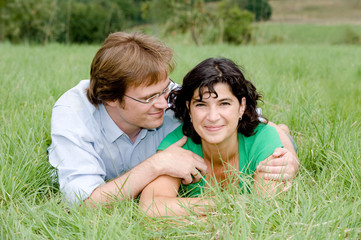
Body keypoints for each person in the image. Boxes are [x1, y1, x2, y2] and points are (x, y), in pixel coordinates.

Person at [48, 32, 299, 207]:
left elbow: (252, 122)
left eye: (164, 90)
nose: (162, 103)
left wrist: (288, 155)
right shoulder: (74, 113)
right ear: (111, 98)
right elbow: (83, 205)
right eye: (148, 98)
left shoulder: (169, 97)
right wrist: (157, 165)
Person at [139, 58, 298, 217]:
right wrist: (229, 205)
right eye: (201, 104)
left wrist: (189, 214)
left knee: (277, 133)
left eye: (224, 104)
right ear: (189, 108)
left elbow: (268, 207)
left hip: (261, 132)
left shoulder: (263, 138)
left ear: (242, 106)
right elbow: (151, 208)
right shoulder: (176, 144)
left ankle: (283, 131)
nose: (213, 117)